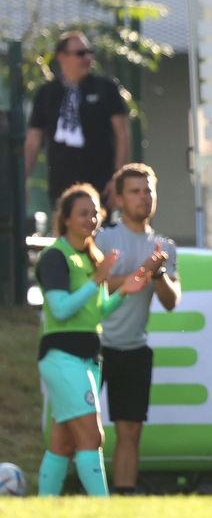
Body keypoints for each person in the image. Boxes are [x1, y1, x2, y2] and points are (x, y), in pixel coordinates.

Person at [35, 183, 148, 497]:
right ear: (66, 219)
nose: (91, 219)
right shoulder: (55, 257)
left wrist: (124, 291)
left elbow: (96, 315)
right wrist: (98, 280)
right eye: (82, 213)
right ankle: (105, 508)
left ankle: (43, 509)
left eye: (95, 212)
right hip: (62, 356)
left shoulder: (90, 257)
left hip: (87, 357)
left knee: (63, 442)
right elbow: (60, 309)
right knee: (93, 437)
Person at [94, 164, 181, 494]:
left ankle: (124, 499)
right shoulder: (102, 237)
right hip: (95, 346)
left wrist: (156, 274)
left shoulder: (164, 246)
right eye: (135, 191)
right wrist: (137, 274)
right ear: (119, 198)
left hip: (134, 348)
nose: (144, 197)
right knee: (81, 430)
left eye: (149, 190)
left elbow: (172, 301)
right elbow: (91, 287)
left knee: (130, 429)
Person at [24, 31, 130, 210]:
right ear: (62, 57)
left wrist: (116, 178)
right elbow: (34, 140)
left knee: (97, 235)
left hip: (100, 186)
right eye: (80, 53)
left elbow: (123, 134)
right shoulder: (47, 93)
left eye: (89, 52)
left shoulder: (106, 88)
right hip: (61, 187)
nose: (87, 58)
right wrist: (22, 179)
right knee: (65, 237)